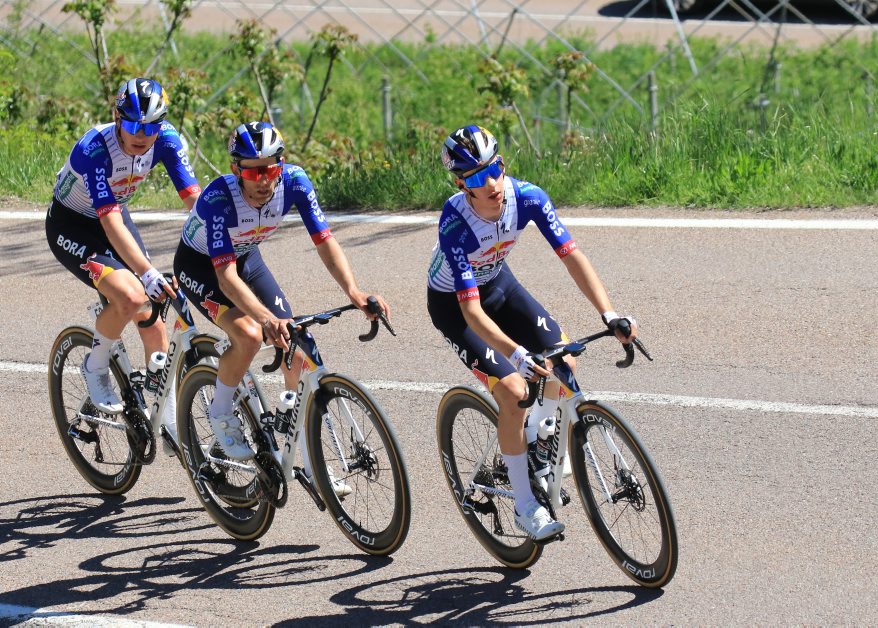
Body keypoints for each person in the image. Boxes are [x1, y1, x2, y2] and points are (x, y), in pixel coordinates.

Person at [427, 125, 636, 541]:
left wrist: (608, 313)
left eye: (495, 169)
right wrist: (516, 354)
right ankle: (525, 505)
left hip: (500, 287)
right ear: (460, 184)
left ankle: (538, 442)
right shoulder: (455, 223)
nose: (491, 184)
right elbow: (471, 312)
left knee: (564, 360)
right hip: (456, 307)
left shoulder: (528, 197)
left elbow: (571, 255)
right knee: (514, 391)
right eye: (476, 177)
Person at [173, 120, 390, 465]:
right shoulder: (218, 198)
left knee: (296, 344)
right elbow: (225, 278)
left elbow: (325, 241)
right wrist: (264, 319)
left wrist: (354, 291)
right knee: (249, 334)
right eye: (252, 172)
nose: (263, 180)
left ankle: (301, 447)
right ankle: (221, 411)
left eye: (270, 169)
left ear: (282, 165)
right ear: (235, 169)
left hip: (247, 257)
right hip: (201, 267)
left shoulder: (296, 182)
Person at [46, 77, 201, 431]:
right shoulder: (95, 148)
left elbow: (195, 202)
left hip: (115, 214)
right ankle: (95, 366)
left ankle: (168, 422)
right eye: (133, 125)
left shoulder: (167, 140)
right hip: (72, 225)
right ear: (117, 117)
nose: (141, 135)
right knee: (133, 296)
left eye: (151, 127)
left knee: (153, 318)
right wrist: (146, 272)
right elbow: (109, 221)